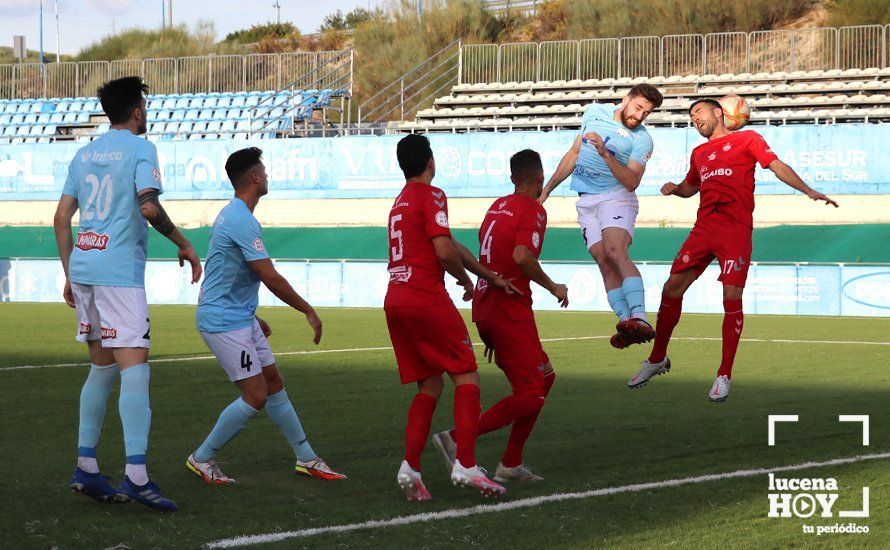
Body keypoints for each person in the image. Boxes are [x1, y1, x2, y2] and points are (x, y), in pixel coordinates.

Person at [54, 76, 202, 511]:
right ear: (137, 111)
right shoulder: (142, 149)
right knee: (135, 368)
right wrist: (184, 243)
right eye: (145, 107)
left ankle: (86, 465)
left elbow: (62, 218)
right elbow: (148, 205)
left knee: (101, 368)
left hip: (84, 268)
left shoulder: (83, 154)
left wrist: (70, 271)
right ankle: (136, 476)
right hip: (119, 272)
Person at [630, 98, 839, 401]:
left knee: (731, 297)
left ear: (718, 112)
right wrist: (676, 188)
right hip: (704, 229)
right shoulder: (699, 152)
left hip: (735, 231)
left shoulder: (748, 139)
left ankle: (724, 374)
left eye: (698, 113)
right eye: (691, 117)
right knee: (671, 289)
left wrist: (807, 189)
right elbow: (692, 186)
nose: (694, 119)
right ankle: (657, 359)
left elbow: (776, 165)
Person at [187, 147, 345, 484]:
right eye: (265, 171)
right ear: (255, 177)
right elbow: (269, 276)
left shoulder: (234, 215)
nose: (268, 176)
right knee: (256, 395)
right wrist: (309, 311)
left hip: (237, 315)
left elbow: (225, 272)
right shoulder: (241, 220)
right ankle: (202, 457)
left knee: (273, 384)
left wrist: (251, 315)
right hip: (224, 321)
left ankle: (306, 458)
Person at [386, 134, 518, 501]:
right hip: (424, 297)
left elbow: (449, 243)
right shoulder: (432, 194)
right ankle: (466, 463)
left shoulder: (399, 202)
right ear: (430, 161)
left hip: (396, 299)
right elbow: (443, 250)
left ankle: (410, 467)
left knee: (430, 385)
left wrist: (487, 276)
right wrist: (463, 280)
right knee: (466, 375)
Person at [432, 149, 568, 483]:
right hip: (510, 307)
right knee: (532, 392)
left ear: (512, 179)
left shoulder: (497, 206)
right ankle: (457, 438)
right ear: (539, 179)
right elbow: (521, 256)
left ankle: (511, 463)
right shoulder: (533, 209)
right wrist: (553, 286)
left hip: (487, 307)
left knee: (544, 379)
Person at [539, 84, 663, 349]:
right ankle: (626, 322)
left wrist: (605, 154)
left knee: (615, 251)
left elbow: (631, 181)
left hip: (616, 196)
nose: (640, 116)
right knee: (603, 261)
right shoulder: (594, 112)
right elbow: (574, 153)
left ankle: (640, 316)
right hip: (586, 200)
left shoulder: (642, 139)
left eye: (646, 113)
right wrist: (546, 192)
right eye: (638, 107)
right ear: (626, 99)